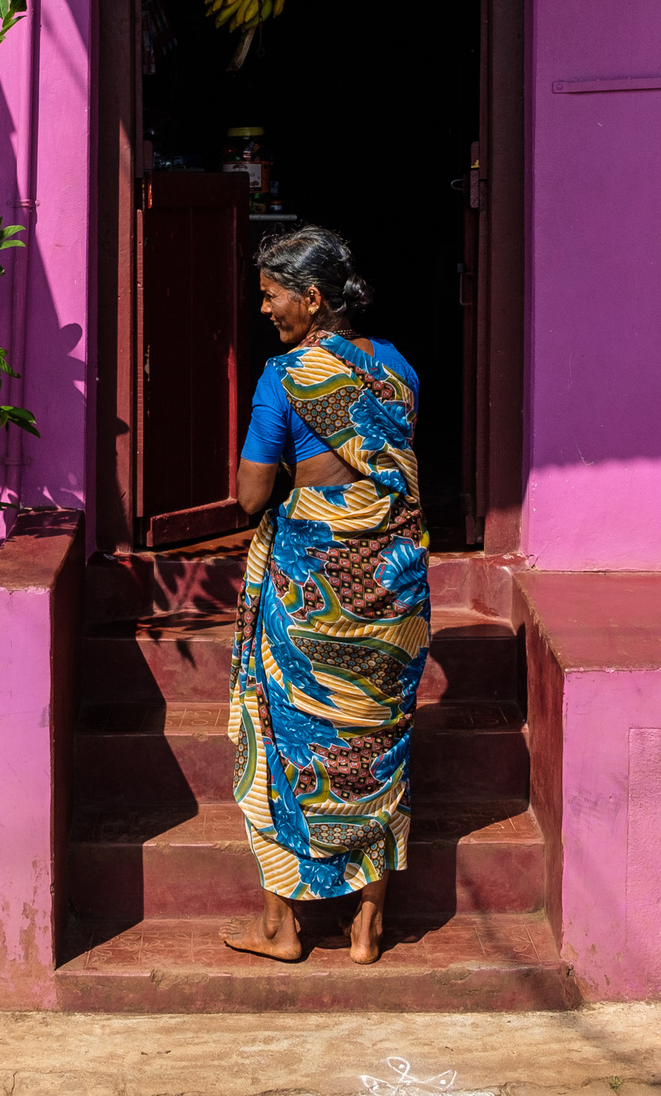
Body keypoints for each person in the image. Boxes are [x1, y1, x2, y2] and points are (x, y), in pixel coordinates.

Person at [219, 225, 426, 967]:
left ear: (311, 297)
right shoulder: (396, 367)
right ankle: (368, 928)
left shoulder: (285, 376)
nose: (264, 309)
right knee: (377, 739)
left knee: (279, 736)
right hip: (391, 578)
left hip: (313, 581)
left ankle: (284, 927)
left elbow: (250, 497)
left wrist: (284, 467)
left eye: (271, 295)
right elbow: (388, 466)